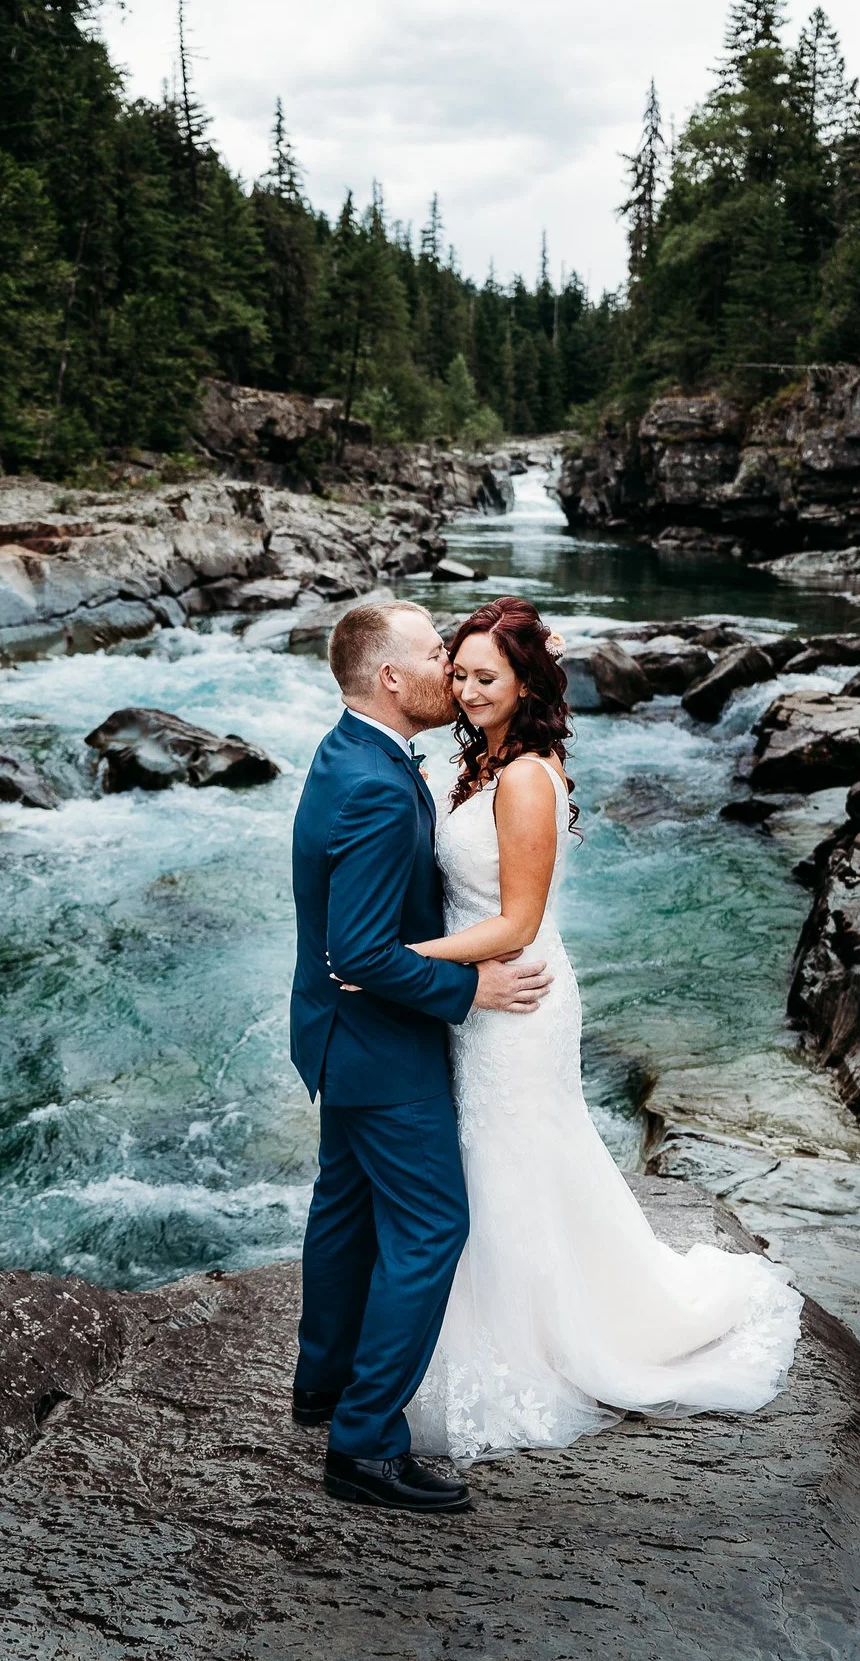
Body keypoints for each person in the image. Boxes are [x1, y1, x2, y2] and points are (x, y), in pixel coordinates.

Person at [397, 594, 802, 1466]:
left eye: (486, 677)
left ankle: (536, 1346)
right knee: (492, 1160)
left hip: (518, 993)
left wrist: (401, 956)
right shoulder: (479, 759)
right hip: (484, 991)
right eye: (459, 674)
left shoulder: (529, 778)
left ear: (525, 682)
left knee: (509, 1159)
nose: (466, 691)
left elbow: (517, 920)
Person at [286, 599, 551, 1514]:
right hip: (380, 1043)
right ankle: (363, 1443)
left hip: (335, 1038)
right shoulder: (372, 784)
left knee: (346, 1208)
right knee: (433, 1227)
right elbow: (358, 953)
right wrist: (469, 991)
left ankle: (320, 1385)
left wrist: (530, 660)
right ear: (392, 679)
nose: (452, 667)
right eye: (439, 654)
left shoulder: (352, 751)